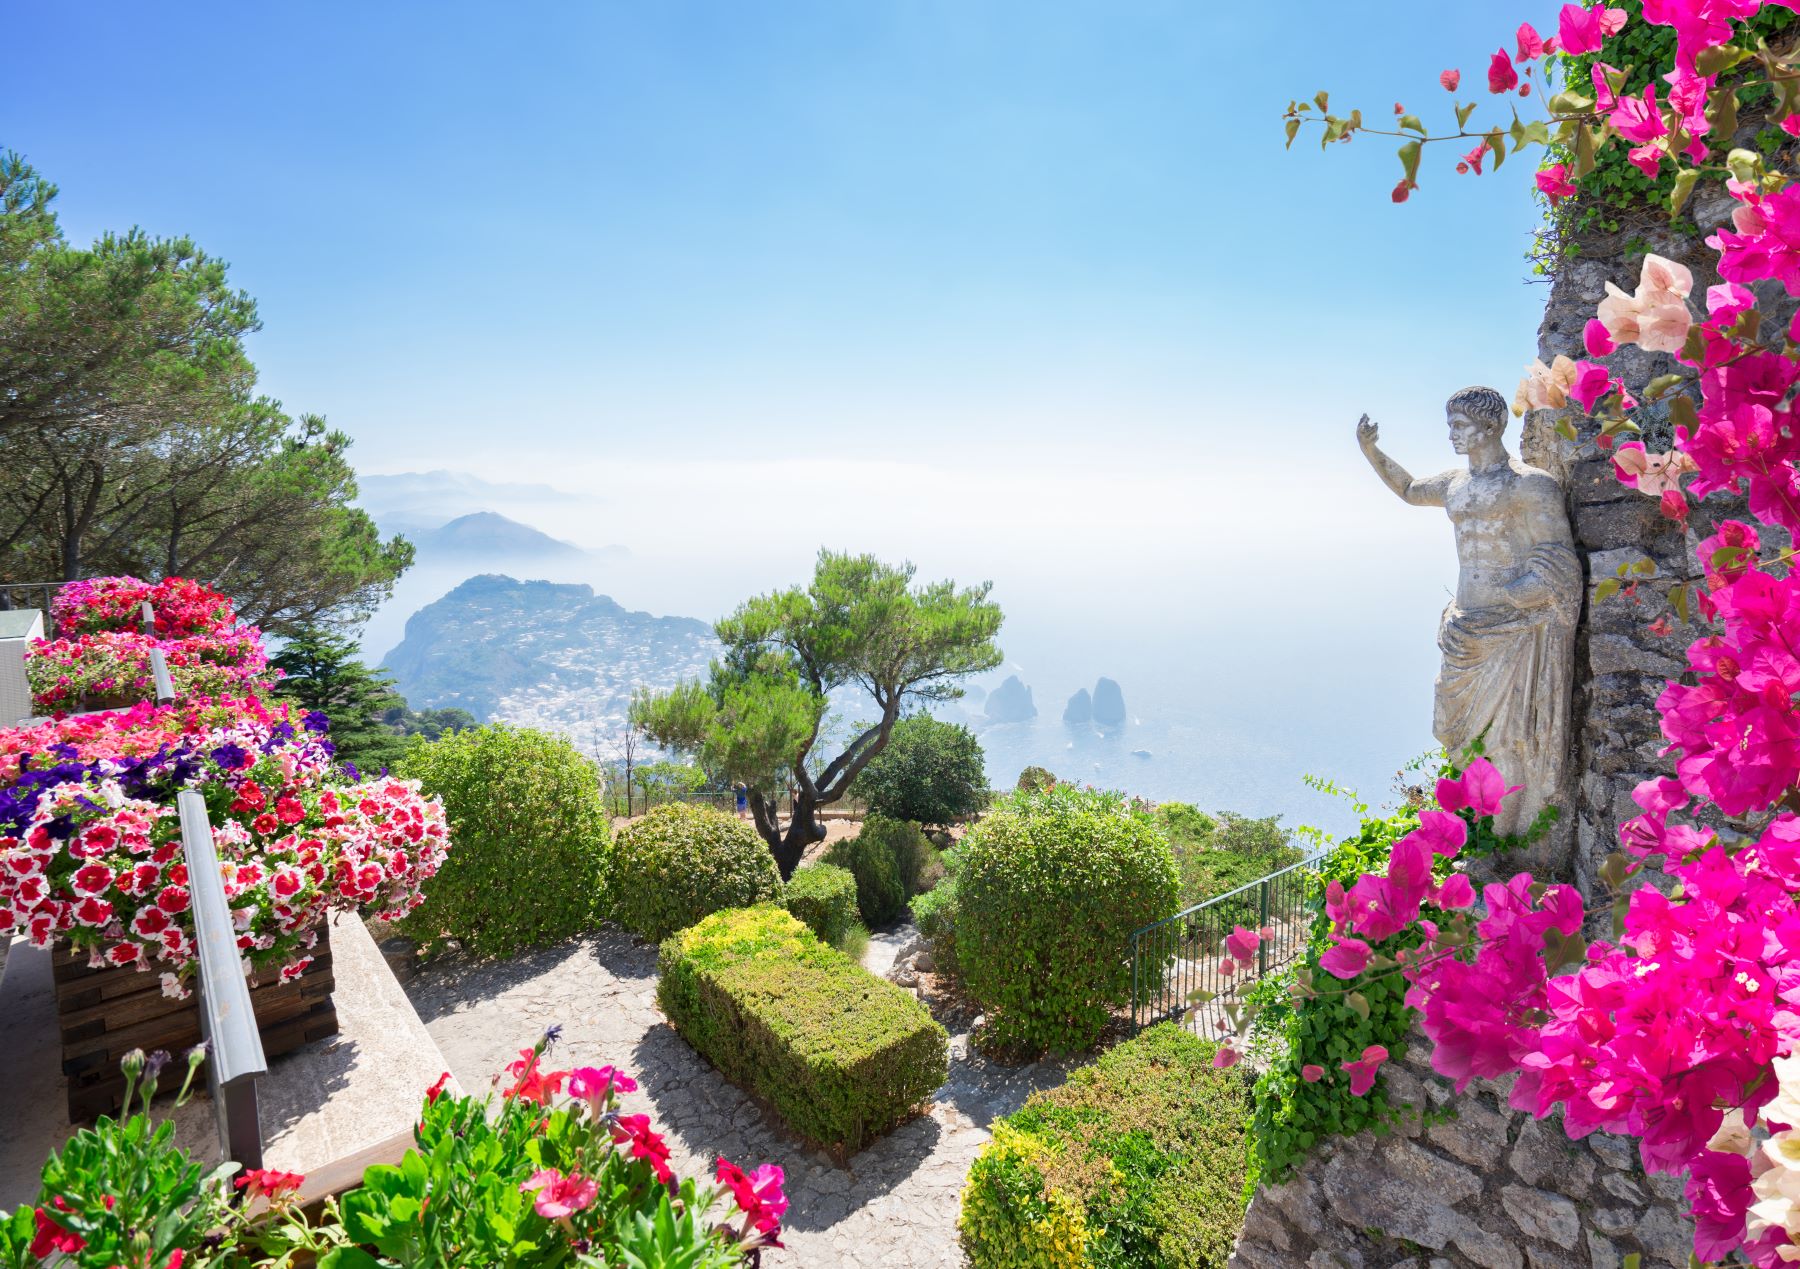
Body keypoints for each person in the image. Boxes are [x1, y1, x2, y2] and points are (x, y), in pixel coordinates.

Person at [1356, 386, 1580, 839]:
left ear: (1491, 425)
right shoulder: (1456, 484)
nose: (1452, 435)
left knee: (1506, 739)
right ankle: (1480, 832)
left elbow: (1558, 558)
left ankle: (1510, 839)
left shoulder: (1529, 485)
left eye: (1460, 426)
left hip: (1511, 631)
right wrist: (1371, 450)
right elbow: (1408, 489)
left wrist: (1528, 588)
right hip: (1466, 629)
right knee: (1459, 739)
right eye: (1450, 426)